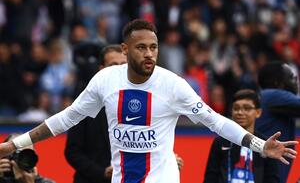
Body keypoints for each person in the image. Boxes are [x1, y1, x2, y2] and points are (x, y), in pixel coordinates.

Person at [0, 19, 297, 183]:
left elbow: (215, 121)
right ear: (125, 49)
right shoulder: (105, 80)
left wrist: (259, 146)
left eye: (153, 47)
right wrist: (15, 145)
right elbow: (65, 119)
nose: (149, 54)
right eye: (141, 47)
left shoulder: (173, 85)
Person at [65, 44, 183, 183]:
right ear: (101, 69)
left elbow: (147, 143)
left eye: (123, 64)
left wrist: (167, 161)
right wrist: (101, 172)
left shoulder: (142, 102)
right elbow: (72, 152)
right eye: (113, 65)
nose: (119, 70)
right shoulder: (85, 103)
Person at [203, 89, 279, 183]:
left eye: (247, 108)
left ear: (258, 112)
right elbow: (210, 178)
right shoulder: (220, 142)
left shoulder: (266, 144)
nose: (240, 112)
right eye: (236, 108)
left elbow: (272, 179)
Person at [255, 61, 300, 183]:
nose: (296, 80)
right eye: (292, 77)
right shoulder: (272, 95)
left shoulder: (265, 97)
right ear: (278, 83)